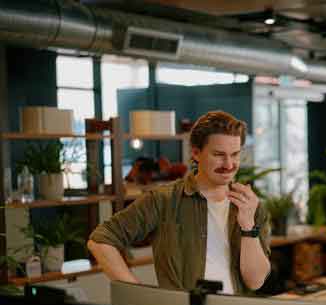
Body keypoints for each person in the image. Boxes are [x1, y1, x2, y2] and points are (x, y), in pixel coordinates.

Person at [87, 111, 271, 293]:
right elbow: (100, 239)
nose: (229, 164)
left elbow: (255, 282)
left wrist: (248, 226)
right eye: (218, 154)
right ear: (196, 153)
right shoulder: (164, 200)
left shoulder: (250, 205)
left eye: (235, 154)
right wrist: (137, 293)